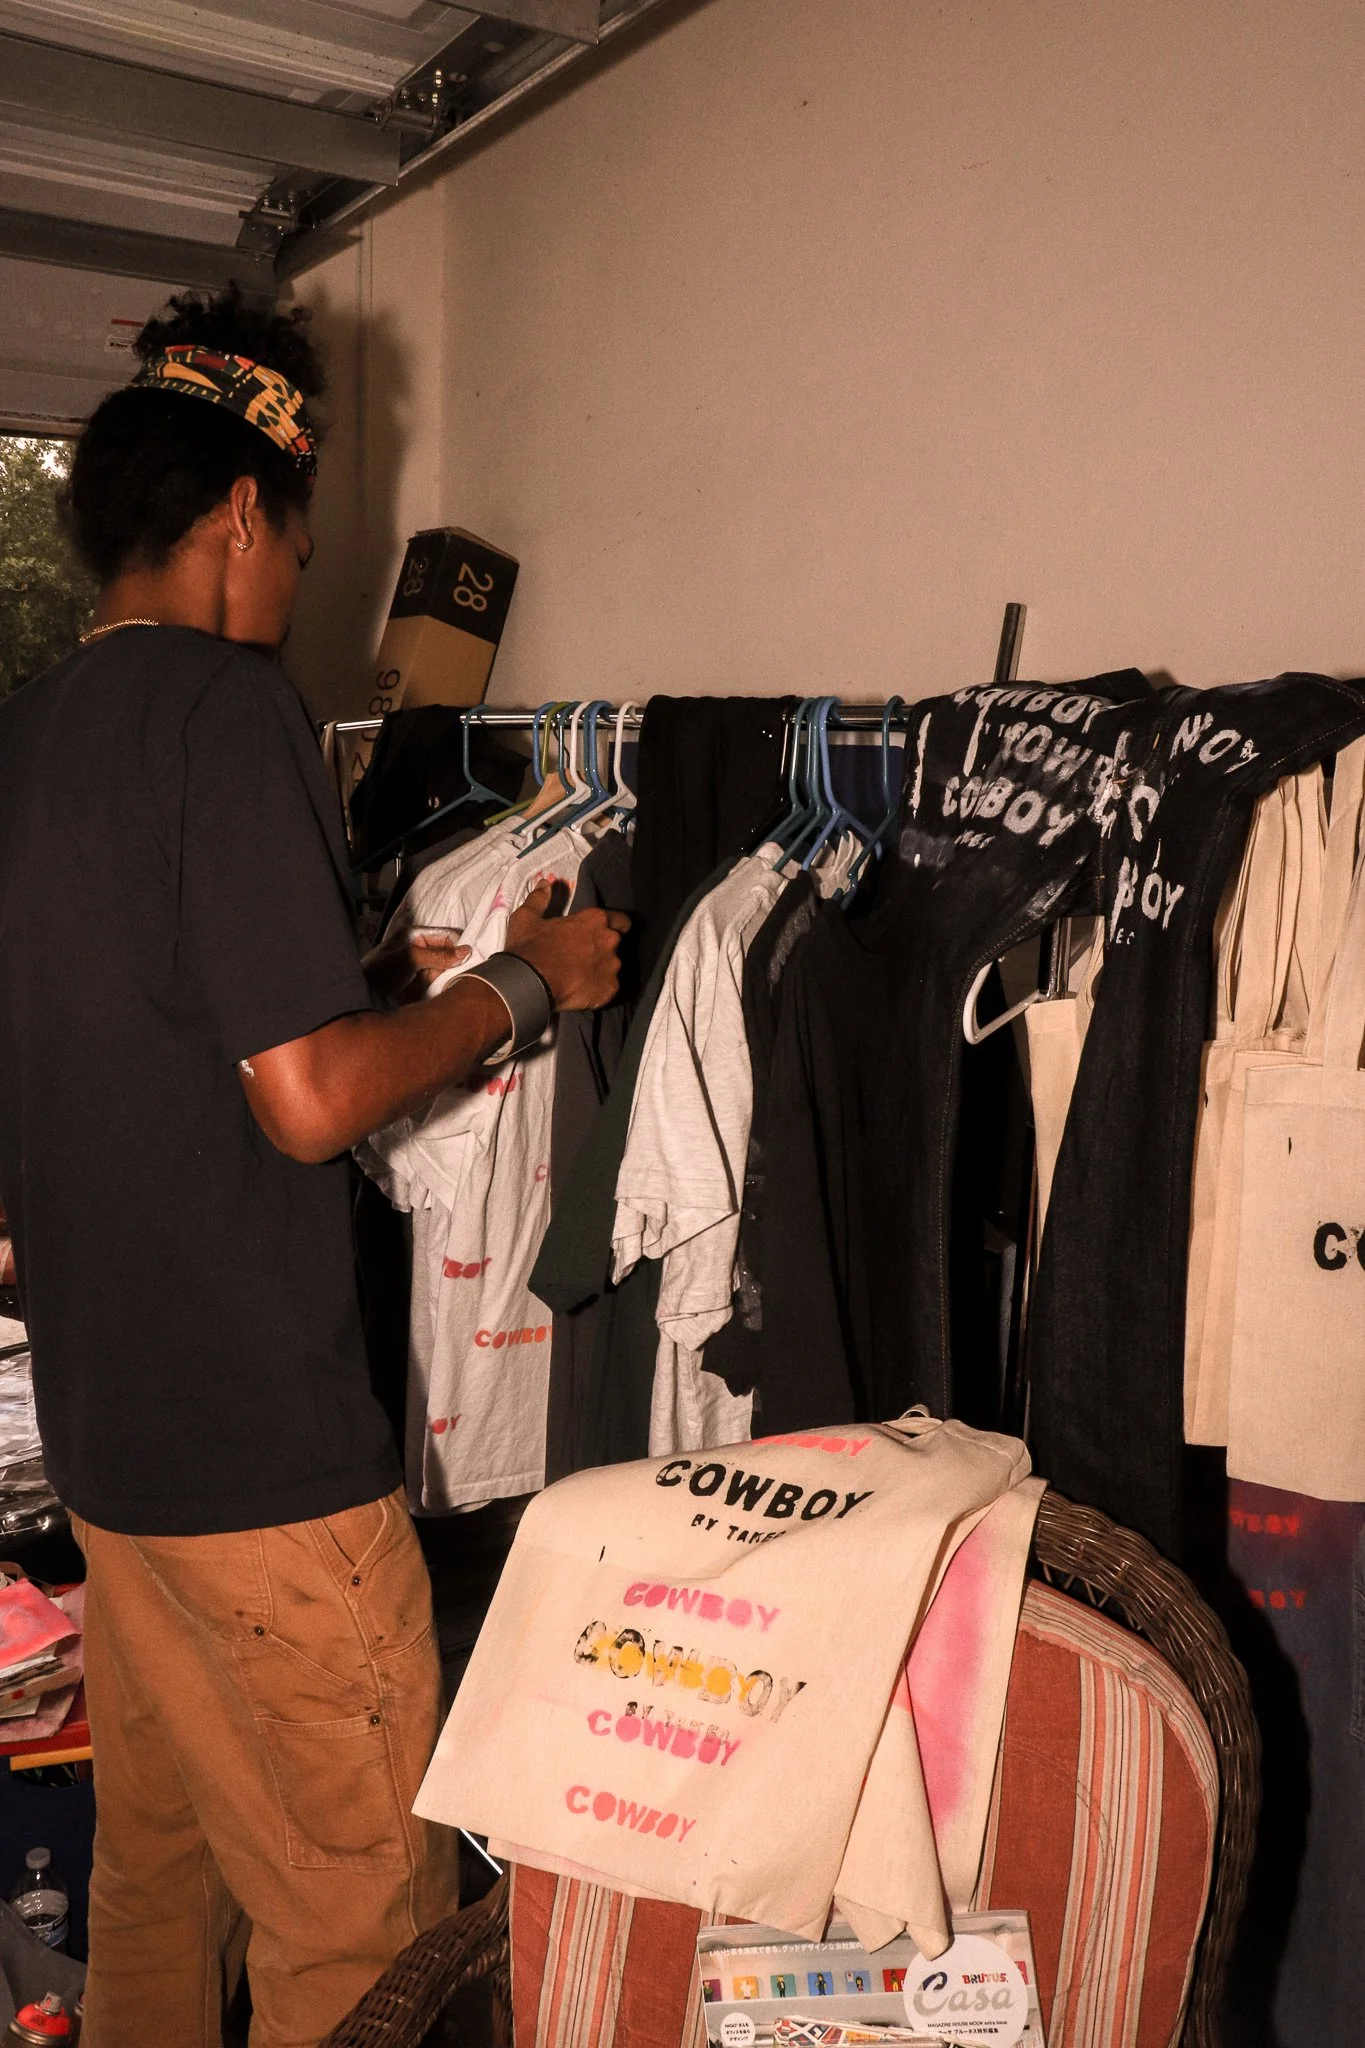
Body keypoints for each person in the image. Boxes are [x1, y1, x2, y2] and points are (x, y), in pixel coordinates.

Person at [0, 287, 625, 2047]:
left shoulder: (31, 738)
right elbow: (305, 1106)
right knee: (358, 1937)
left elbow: (134, 1029)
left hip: (113, 1457)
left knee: (158, 1881)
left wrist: (350, 987)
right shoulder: (230, 705)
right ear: (243, 520)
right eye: (298, 538)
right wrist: (522, 986)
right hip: (263, 1476)